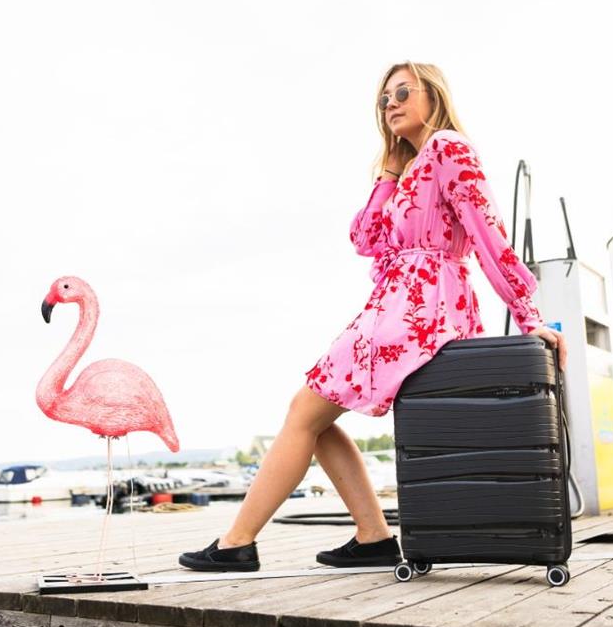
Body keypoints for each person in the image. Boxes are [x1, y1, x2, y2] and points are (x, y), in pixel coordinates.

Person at [178, 61, 568, 572]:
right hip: (395, 305)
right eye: (384, 99)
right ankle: (373, 536)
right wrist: (388, 172)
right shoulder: (409, 167)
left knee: (305, 411)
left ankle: (237, 542)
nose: (391, 105)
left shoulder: (449, 148)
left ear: (433, 95)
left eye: (403, 93)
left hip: (421, 308)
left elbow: (487, 230)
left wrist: (528, 314)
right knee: (312, 417)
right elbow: (365, 237)